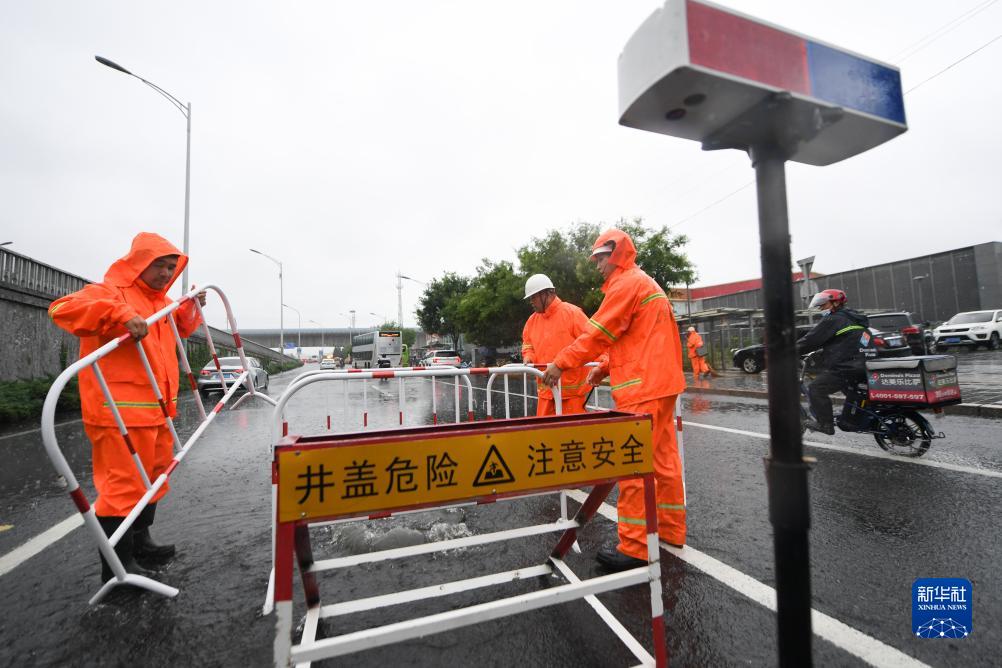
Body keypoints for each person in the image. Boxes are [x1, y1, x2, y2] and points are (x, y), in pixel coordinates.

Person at [49, 232, 206, 583]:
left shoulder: (158, 302)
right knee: (122, 488)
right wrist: (118, 313)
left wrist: (189, 307)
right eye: (159, 265)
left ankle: (141, 543)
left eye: (171, 267)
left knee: (153, 480)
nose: (167, 273)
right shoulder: (110, 291)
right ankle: (116, 568)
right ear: (139, 262)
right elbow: (61, 308)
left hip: (157, 411)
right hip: (118, 412)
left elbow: (177, 328)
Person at [542, 229, 687, 571]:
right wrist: (605, 368)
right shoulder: (645, 283)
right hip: (663, 384)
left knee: (634, 465)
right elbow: (637, 338)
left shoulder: (625, 285)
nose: (597, 267)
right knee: (663, 461)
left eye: (601, 259)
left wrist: (560, 363)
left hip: (642, 388)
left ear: (617, 253)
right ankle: (669, 529)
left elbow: (598, 334)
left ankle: (636, 548)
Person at [796, 288, 871, 435]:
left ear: (836, 303)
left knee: (816, 388)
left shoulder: (834, 319)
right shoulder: (855, 319)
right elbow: (852, 342)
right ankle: (852, 419)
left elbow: (810, 341)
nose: (820, 308)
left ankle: (825, 425)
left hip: (847, 367)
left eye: (824, 304)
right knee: (852, 392)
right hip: (862, 365)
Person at [520, 274, 590, 416]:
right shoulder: (531, 321)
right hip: (546, 394)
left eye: (534, 297)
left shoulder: (573, 314)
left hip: (571, 396)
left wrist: (601, 366)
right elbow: (528, 345)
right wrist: (528, 357)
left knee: (572, 437)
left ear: (546, 293)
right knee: (545, 436)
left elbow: (592, 342)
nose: (531, 302)